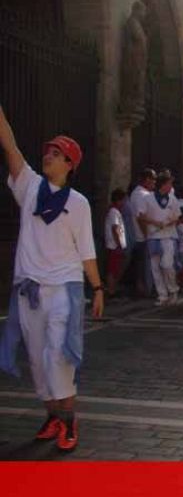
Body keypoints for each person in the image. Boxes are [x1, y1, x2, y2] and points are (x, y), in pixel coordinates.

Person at [0, 104, 104, 452]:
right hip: (28, 290)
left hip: (64, 288)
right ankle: (52, 417)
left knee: (58, 355)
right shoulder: (28, 186)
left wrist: (98, 288)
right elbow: (10, 146)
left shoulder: (78, 203)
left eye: (56, 153)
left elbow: (87, 251)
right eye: (47, 151)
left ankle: (70, 422)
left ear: (70, 164)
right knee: (36, 360)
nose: (48, 156)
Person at [139, 170, 181, 306]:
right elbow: (141, 216)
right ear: (163, 185)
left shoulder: (173, 199)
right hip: (153, 235)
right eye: (169, 183)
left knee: (167, 264)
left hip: (168, 236)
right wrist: (155, 223)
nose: (171, 186)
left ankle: (173, 290)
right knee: (155, 267)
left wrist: (170, 221)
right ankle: (162, 295)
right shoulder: (148, 198)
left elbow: (177, 216)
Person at [128, 168, 156, 296]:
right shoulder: (141, 195)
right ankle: (145, 289)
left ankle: (144, 288)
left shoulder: (139, 193)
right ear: (147, 180)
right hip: (143, 236)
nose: (155, 183)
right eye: (153, 179)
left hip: (142, 236)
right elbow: (141, 217)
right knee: (145, 265)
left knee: (141, 265)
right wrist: (147, 235)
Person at [105, 188, 128, 297]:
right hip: (114, 246)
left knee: (115, 269)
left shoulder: (115, 211)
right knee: (112, 270)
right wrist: (119, 244)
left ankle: (113, 289)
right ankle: (111, 290)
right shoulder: (114, 211)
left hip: (115, 245)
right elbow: (115, 228)